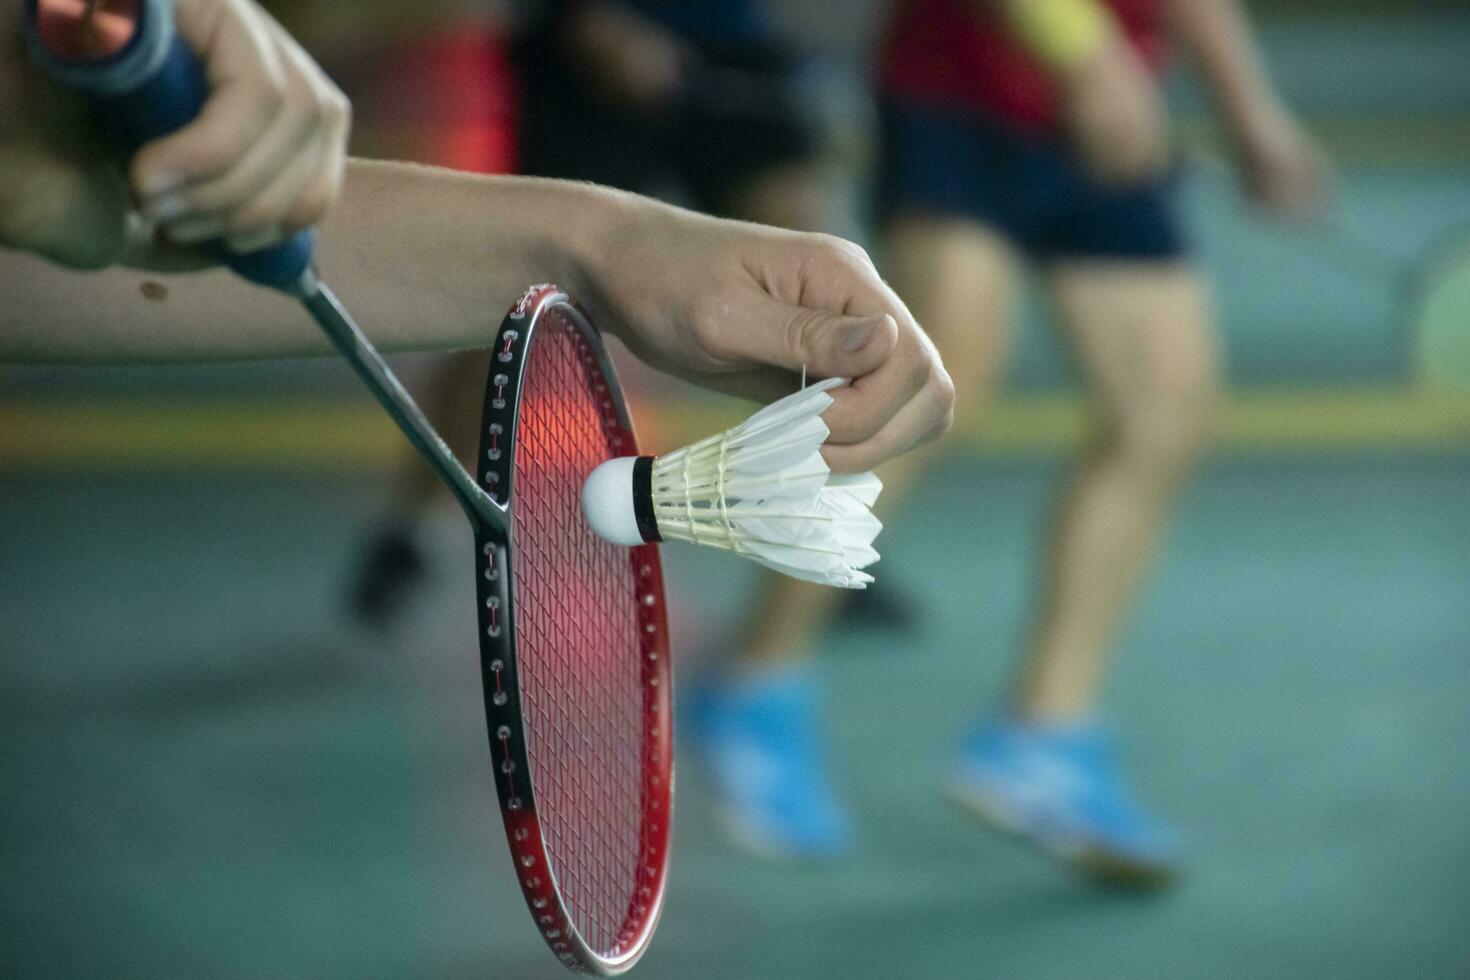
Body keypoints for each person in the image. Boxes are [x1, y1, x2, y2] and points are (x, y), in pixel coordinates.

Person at [688, 0, 1326, 883]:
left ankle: (1044, 739)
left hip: (1102, 116)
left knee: (1166, 410)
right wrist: (1088, 55)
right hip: (967, 90)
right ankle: (753, 684)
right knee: (923, 395)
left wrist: (1249, 109)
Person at [0, 0, 953, 474]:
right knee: (495, 367)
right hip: (587, 58)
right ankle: (411, 532)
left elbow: (62, 259)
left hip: (720, 57)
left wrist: (598, 244)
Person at [348, 0, 869, 627]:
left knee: (818, 286)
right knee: (516, 308)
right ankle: (415, 525)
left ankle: (836, 526)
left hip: (732, 50)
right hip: (585, 44)